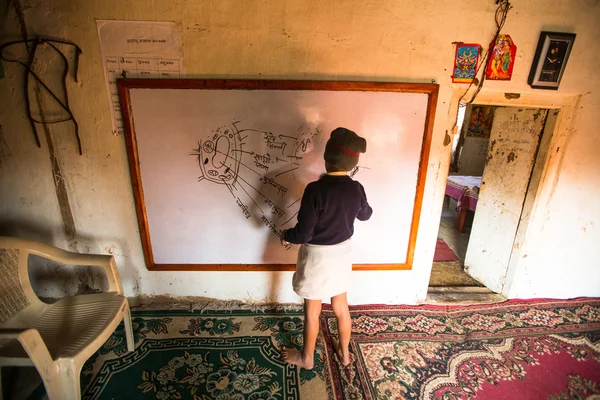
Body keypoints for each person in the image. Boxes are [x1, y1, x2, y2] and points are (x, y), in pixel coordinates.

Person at [280, 127, 373, 369]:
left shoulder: (315, 190)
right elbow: (366, 215)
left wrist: (286, 235)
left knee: (313, 311)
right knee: (341, 307)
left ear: (326, 157)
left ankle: (307, 358)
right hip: (341, 256)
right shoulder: (356, 188)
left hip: (317, 259)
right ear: (353, 163)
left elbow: (304, 233)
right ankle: (344, 355)